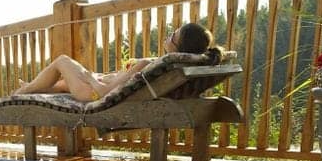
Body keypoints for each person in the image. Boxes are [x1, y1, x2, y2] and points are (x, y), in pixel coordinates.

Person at [13, 22, 223, 101]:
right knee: (59, 85)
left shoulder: (147, 65)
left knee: (62, 61)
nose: (167, 37)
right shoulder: (164, 65)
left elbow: (106, 93)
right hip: (96, 85)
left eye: (173, 36)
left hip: (93, 92)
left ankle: (23, 92)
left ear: (180, 47)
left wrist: (91, 78)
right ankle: (30, 87)